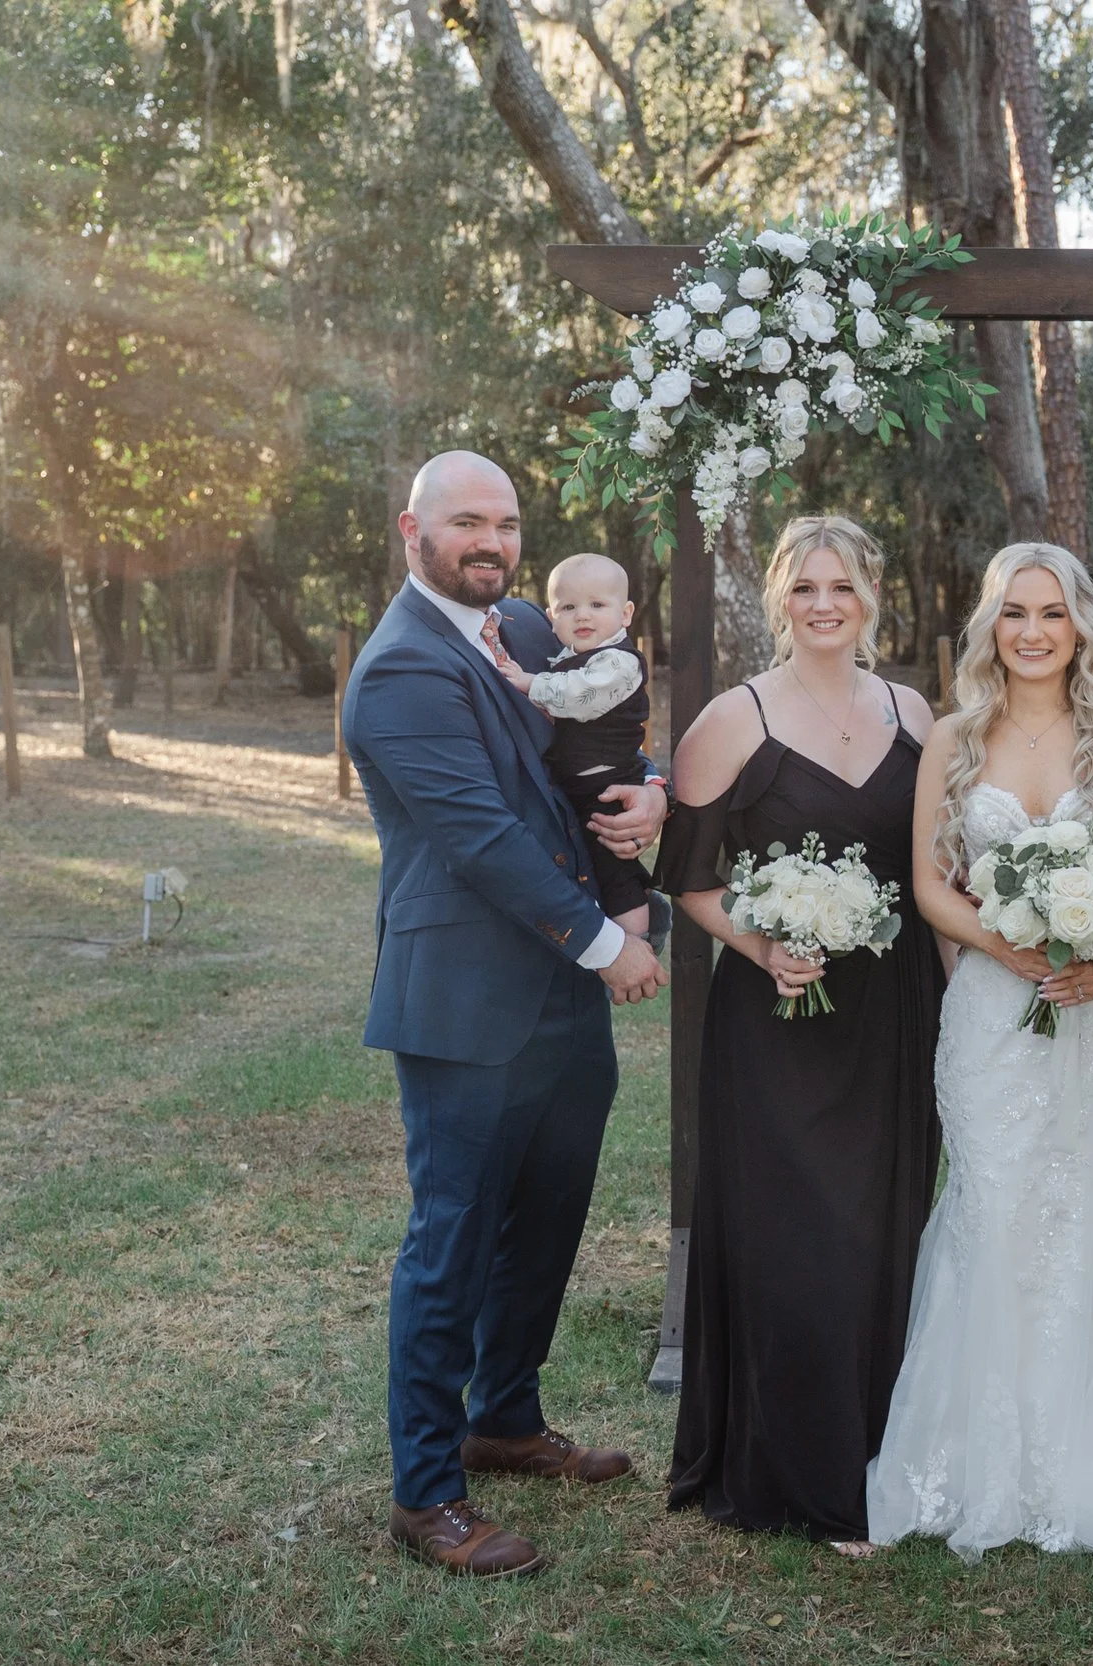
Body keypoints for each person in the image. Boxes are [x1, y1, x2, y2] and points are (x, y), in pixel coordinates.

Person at [342, 451, 671, 1579]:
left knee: (548, 1217)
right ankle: (427, 1492)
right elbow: (482, 835)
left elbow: (601, 735)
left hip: (559, 997)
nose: (492, 542)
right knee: (454, 1240)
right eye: (467, 522)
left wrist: (651, 789)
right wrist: (611, 946)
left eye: (508, 523)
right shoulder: (399, 668)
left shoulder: (528, 627)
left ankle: (506, 1418)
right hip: (467, 999)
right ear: (413, 530)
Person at [866, 542, 1093, 1563]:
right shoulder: (953, 735)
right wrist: (1005, 944)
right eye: (1014, 613)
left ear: (1080, 625)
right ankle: (978, 1464)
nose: (1033, 632)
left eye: (1052, 613)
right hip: (990, 1010)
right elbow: (930, 884)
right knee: (995, 1202)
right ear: (990, 626)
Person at [652, 515, 941, 1553]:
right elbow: (687, 878)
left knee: (883, 1231)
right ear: (780, 598)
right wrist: (765, 943)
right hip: (778, 1018)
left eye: (843, 586)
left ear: (872, 596)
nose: (826, 605)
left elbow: (935, 865)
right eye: (806, 587)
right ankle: (806, 1477)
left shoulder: (913, 711)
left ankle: (880, 1451)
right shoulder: (733, 719)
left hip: (895, 1010)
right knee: (799, 1239)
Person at [489, 551, 663, 940]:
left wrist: (530, 682)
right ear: (552, 618)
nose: (582, 616)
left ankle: (638, 941)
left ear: (626, 614)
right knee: (595, 866)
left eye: (597, 605)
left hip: (608, 782)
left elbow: (580, 697)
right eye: (569, 608)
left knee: (615, 869)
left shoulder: (619, 663)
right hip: (579, 784)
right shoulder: (568, 657)